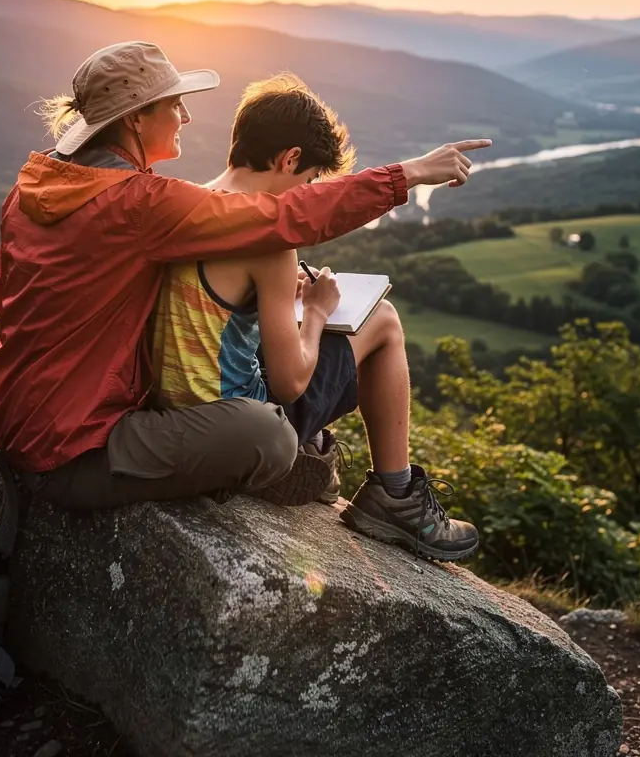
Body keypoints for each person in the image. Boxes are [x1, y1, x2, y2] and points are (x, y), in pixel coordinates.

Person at [0, 40, 490, 513]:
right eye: (172, 104)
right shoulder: (136, 204)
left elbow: (6, 293)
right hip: (73, 452)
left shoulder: (37, 186)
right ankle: (321, 471)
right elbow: (286, 216)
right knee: (268, 436)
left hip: (17, 423)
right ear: (137, 119)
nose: (184, 114)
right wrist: (407, 174)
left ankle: (303, 456)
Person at [151, 75, 477, 561]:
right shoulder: (270, 238)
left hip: (170, 413)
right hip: (232, 425)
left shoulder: (190, 202)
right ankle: (395, 495)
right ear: (290, 159)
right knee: (382, 320)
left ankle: (336, 460)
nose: (307, 195)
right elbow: (290, 383)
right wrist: (318, 311)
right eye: (309, 182)